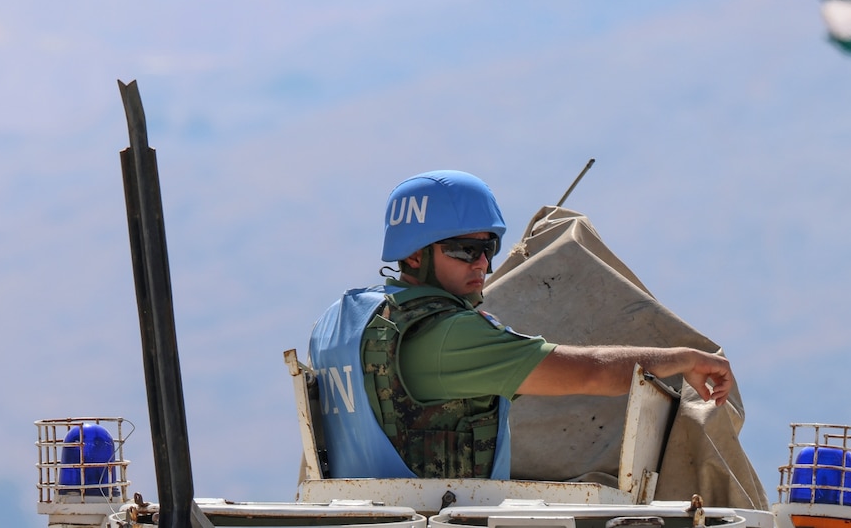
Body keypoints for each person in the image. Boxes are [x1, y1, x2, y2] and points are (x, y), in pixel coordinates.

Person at [309, 170, 733, 480]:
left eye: (488, 247)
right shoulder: (448, 335)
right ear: (414, 256)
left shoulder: (337, 323)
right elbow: (591, 372)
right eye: (464, 249)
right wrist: (682, 357)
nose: (483, 264)